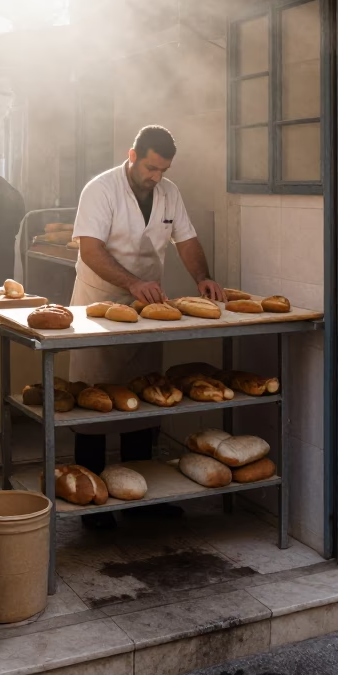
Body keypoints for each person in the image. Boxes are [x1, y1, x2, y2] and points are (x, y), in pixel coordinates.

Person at [68, 124, 223, 528]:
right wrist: (132, 282)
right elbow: (90, 249)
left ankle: (141, 501)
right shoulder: (100, 189)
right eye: (151, 168)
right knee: (94, 402)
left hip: (148, 305)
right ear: (132, 156)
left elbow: (185, 240)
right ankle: (94, 507)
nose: (157, 178)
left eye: (163, 171)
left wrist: (202, 278)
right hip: (99, 304)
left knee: (146, 398)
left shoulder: (169, 192)